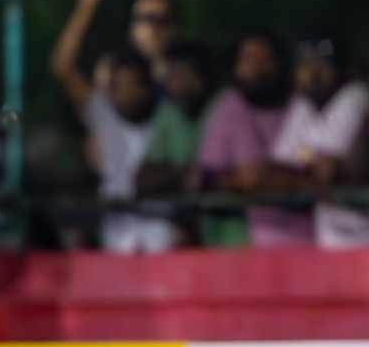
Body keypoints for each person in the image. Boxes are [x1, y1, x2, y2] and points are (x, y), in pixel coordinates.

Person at [51, 0, 175, 253]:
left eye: (134, 85)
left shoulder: (168, 115)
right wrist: (86, 7)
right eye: (119, 86)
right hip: (118, 244)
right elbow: (63, 67)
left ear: (147, 87)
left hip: (164, 243)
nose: (127, 93)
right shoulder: (104, 116)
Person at [242, 37, 369, 248]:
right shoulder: (303, 104)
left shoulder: (356, 96)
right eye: (306, 64)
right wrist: (306, 164)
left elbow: (331, 170)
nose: (313, 72)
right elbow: (280, 165)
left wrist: (305, 163)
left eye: (321, 64)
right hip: (329, 235)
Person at [193, 34, 291, 246]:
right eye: (249, 59)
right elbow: (206, 174)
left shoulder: (299, 104)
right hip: (238, 238)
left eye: (264, 59)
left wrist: (264, 179)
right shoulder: (229, 105)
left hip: (302, 237)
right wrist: (242, 181)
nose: (257, 68)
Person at [136, 39, 215, 195]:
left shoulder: (223, 105)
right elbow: (144, 176)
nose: (178, 82)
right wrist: (181, 176)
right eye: (172, 74)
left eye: (185, 73)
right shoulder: (169, 111)